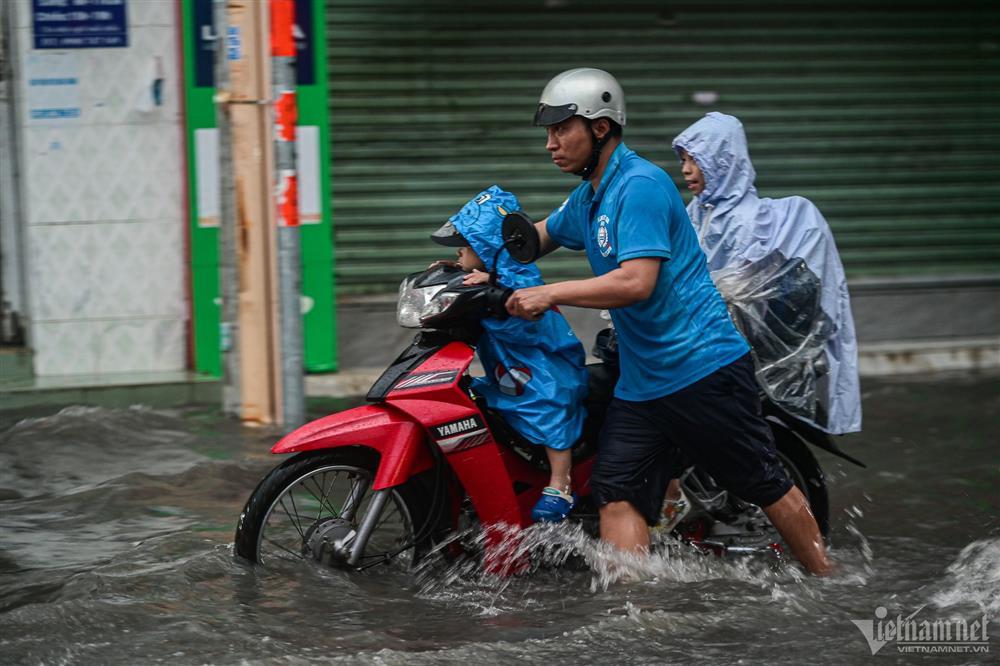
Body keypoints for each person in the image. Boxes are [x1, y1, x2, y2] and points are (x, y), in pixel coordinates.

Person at [506, 67, 831, 574]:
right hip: (643, 385)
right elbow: (535, 237)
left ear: (600, 127)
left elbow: (636, 282)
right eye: (548, 132)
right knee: (617, 493)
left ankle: (827, 578)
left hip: (701, 370)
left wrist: (550, 293)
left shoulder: (640, 186)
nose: (550, 144)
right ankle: (630, 607)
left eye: (561, 129)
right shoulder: (591, 196)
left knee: (762, 482)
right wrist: (470, 258)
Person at [672, 111, 861, 435]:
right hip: (701, 344)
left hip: (733, 353)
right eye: (683, 159)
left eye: (696, 159)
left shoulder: (751, 221)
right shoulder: (695, 213)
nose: (686, 169)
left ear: (722, 161)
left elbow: (743, 291)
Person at [430, 185, 589, 523]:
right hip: (511, 370)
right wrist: (451, 273)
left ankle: (561, 482)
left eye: (465, 247)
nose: (459, 252)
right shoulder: (488, 274)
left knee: (550, 406)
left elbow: (519, 303)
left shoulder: (521, 279)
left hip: (545, 367)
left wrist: (494, 284)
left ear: (488, 249)